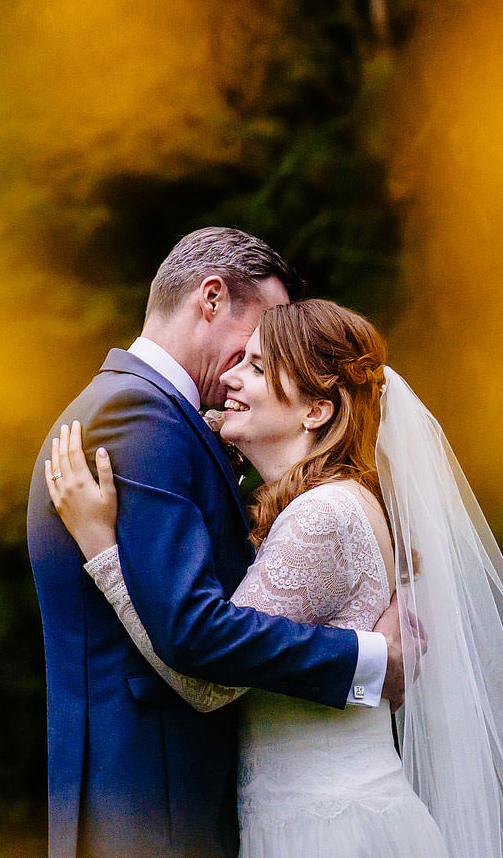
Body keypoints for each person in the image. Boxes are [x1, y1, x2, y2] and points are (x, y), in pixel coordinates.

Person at [46, 297, 503, 858]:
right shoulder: (334, 502)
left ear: (316, 411)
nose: (230, 378)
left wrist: (101, 548)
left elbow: (209, 684)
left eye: (259, 367)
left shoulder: (321, 518)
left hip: (326, 828)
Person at [27, 229, 408, 858]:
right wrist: (368, 659)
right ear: (211, 298)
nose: (241, 373)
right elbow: (194, 634)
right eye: (252, 347)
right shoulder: (140, 415)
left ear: (317, 408)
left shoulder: (167, 419)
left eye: (263, 364)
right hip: (153, 812)